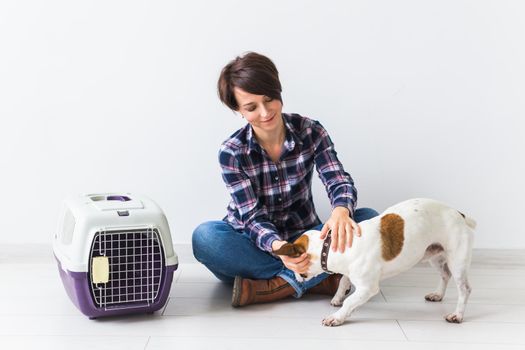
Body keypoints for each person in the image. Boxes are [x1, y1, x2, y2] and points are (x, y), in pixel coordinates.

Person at [192, 52, 379, 307]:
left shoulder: (311, 131)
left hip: (307, 240)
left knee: (368, 218)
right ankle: (320, 278)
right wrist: (279, 249)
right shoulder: (232, 152)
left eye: (270, 100)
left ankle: (273, 287)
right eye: (251, 107)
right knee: (205, 237)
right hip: (254, 245)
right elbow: (251, 217)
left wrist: (341, 210)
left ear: (278, 91)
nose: (265, 112)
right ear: (238, 110)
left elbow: (338, 180)